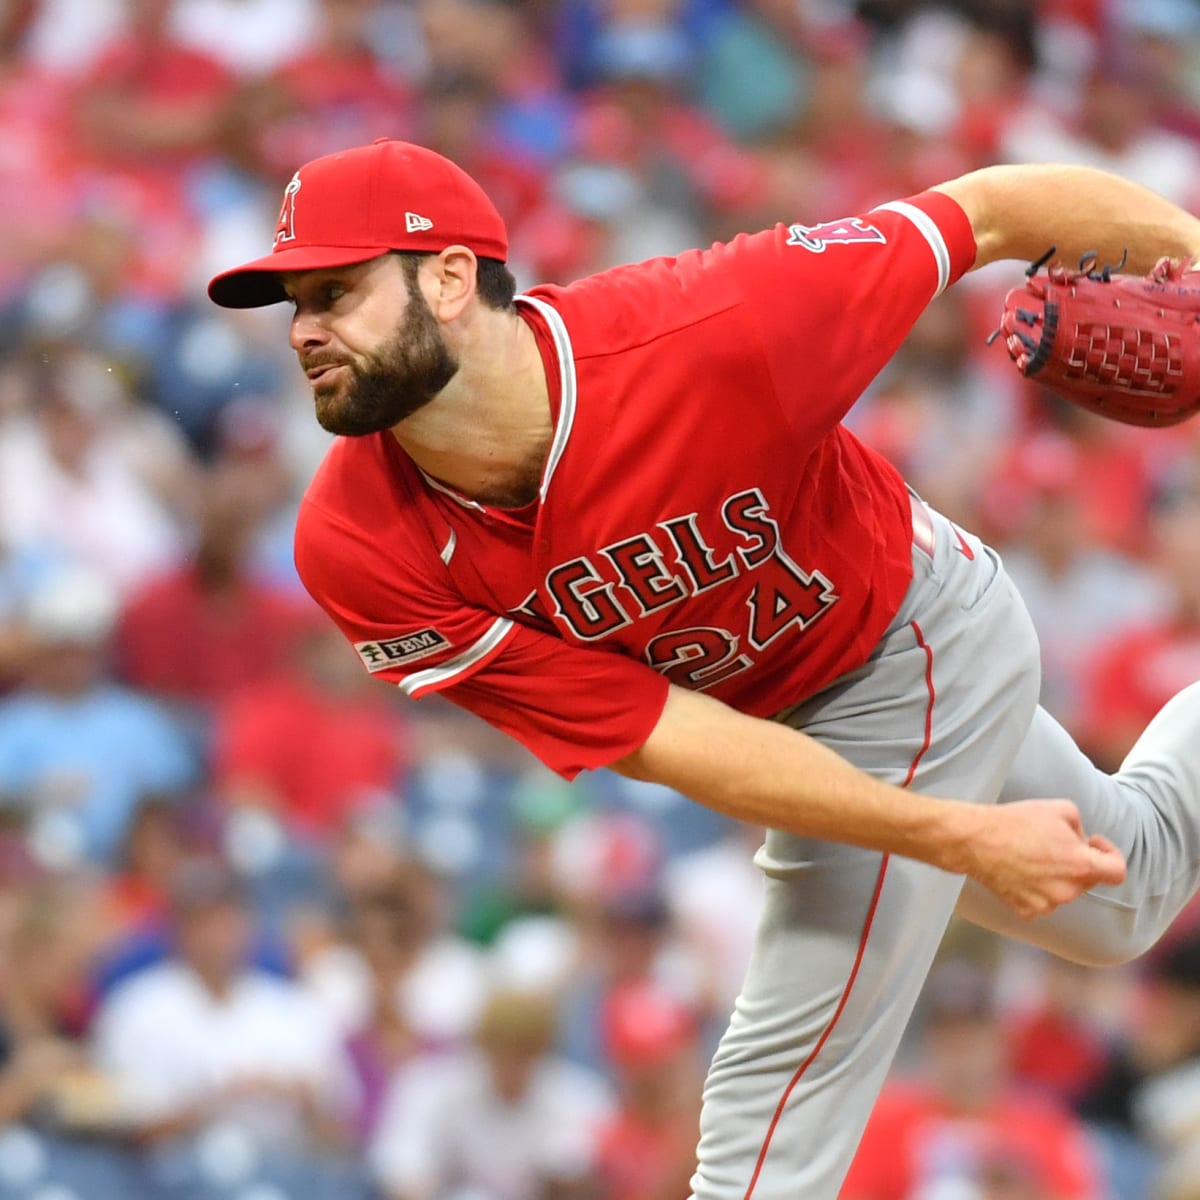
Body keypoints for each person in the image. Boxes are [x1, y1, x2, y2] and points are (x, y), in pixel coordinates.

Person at [207, 137, 1200, 1199]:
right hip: (772, 717)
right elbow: (666, 735)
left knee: (772, 1115)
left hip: (907, 637)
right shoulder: (356, 546)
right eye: (293, 302)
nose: (303, 327)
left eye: (337, 289)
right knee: (1124, 891)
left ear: (450, 277)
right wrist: (963, 835)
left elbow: (996, 209)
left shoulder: (718, 326)